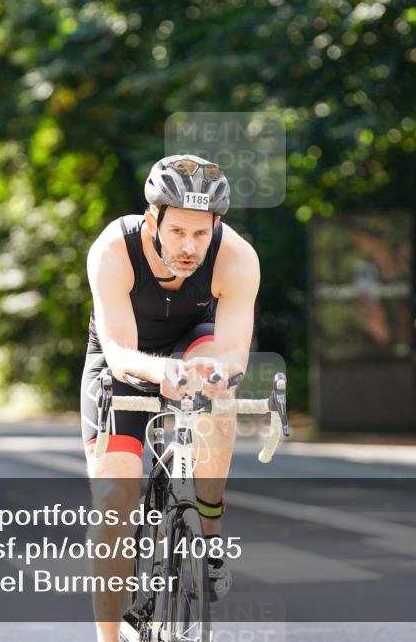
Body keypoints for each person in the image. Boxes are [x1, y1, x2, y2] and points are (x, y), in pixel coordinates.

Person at [80, 154, 260, 642]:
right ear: (152, 219)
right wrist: (163, 372)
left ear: (215, 226)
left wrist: (216, 375)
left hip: (193, 346)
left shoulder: (237, 257)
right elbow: (119, 354)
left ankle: (209, 535)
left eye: (200, 233)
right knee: (113, 504)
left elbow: (234, 353)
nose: (188, 246)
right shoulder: (113, 250)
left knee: (220, 396)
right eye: (177, 231)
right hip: (125, 363)